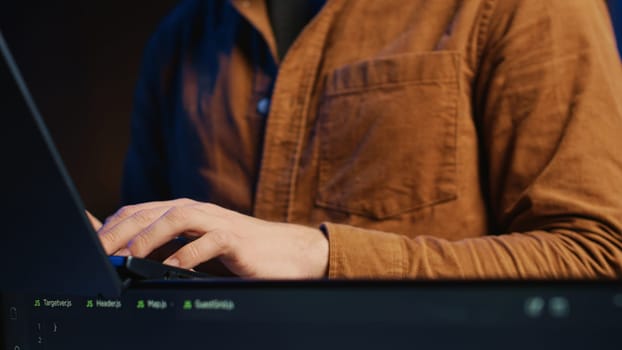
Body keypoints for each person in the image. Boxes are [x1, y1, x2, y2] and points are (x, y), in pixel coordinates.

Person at [92, 0, 622, 279]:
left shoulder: (529, 6)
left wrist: (321, 255)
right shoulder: (180, 36)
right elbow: (151, 274)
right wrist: (104, 253)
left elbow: (598, 255)